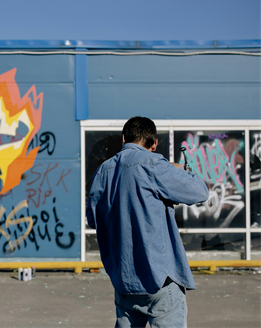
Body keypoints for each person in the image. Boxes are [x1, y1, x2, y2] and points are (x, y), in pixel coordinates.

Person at [86, 116, 209, 328]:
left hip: (124, 280)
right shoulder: (154, 165)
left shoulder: (103, 171)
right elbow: (200, 192)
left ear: (124, 139)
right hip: (159, 280)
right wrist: (180, 171)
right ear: (154, 144)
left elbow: (93, 219)